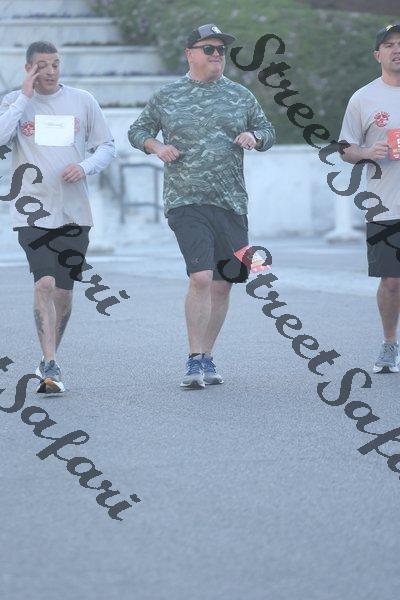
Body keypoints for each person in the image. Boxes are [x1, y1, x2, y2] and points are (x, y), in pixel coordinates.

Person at [128, 23, 275, 389]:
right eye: (209, 49)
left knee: (223, 284)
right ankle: (194, 358)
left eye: (221, 50)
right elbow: (137, 131)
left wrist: (254, 136)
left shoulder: (240, 95)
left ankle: (207, 355)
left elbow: (268, 131)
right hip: (185, 199)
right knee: (201, 277)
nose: (217, 55)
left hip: (230, 202)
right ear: (189, 54)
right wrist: (157, 147)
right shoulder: (168, 95)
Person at [0, 41, 116, 393]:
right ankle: (51, 363)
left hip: (74, 212)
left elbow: (106, 146)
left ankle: (48, 359)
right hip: (32, 211)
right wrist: (23, 97)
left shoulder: (82, 100)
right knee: (44, 283)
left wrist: (85, 166)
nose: (50, 71)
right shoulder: (15, 103)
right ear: (28, 69)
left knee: (64, 293)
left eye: (55, 64)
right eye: (42, 65)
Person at [340, 24, 400, 373]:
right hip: (384, 205)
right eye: (389, 45)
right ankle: (390, 344)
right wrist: (366, 152)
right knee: (391, 282)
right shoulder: (363, 98)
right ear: (378, 55)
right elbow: (345, 148)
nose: (397, 49)